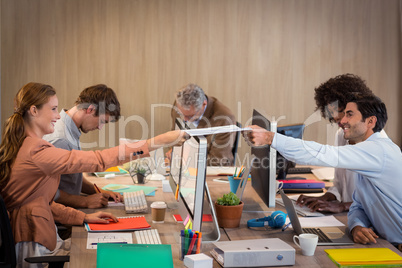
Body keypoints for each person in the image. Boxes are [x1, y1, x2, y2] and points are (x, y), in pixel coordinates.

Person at [0, 82, 186, 267]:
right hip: (33, 240)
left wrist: (84, 217)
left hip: (38, 234)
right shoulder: (36, 150)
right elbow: (98, 160)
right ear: (34, 111)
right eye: (54, 109)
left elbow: (40, 203)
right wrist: (156, 142)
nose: (57, 115)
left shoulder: (29, 145)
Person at [244, 94, 402, 247]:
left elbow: (323, 153)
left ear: (370, 121)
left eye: (349, 114)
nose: (343, 120)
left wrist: (271, 138)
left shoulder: (379, 151)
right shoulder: (366, 155)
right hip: (385, 243)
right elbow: (358, 206)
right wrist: (357, 226)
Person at [296, 74, 383, 213]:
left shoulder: (377, 145)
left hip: (370, 224)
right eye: (333, 115)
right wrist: (325, 198)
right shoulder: (341, 136)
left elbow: (377, 201)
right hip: (350, 217)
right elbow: (338, 185)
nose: (338, 119)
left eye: (342, 112)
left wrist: (343, 206)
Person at [43, 84, 123, 209]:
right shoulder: (61, 139)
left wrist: (100, 191)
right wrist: (84, 201)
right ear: (90, 109)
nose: (100, 127)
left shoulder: (70, 129)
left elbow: (72, 177)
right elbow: (45, 189)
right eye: (102, 121)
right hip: (59, 218)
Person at [170, 83, 236, 166]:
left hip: (213, 172)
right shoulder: (179, 105)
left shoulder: (224, 119)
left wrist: (185, 158)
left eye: (190, 116)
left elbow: (218, 160)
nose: (185, 120)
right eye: (180, 113)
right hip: (182, 168)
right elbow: (174, 136)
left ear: (203, 104)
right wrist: (174, 152)